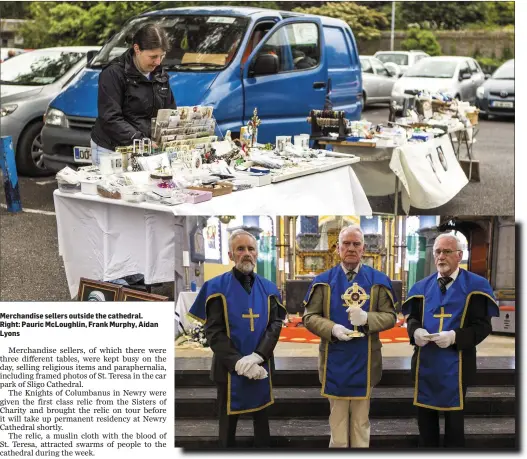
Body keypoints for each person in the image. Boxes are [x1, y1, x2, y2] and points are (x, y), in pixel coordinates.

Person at [188, 230, 286, 448]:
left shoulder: (269, 288)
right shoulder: (215, 288)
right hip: (227, 369)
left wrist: (258, 356)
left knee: (262, 426)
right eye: (240, 249)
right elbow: (214, 332)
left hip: (262, 366)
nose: (246, 253)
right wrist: (239, 363)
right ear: (231, 254)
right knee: (227, 431)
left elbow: (275, 325)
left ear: (257, 253)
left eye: (251, 249)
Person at [302, 224, 398, 448]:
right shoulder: (323, 281)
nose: (351, 248)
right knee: (337, 420)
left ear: (364, 249)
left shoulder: (378, 281)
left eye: (356, 244)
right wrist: (332, 329)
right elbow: (309, 317)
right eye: (346, 243)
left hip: (365, 361)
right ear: (338, 248)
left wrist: (367, 319)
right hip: (334, 358)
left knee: (361, 422)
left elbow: (390, 316)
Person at [402, 232, 499, 448]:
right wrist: (415, 331)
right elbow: (413, 318)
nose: (441, 257)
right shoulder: (421, 287)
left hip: (458, 364)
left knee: (454, 427)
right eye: (437, 251)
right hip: (425, 364)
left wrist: (455, 336)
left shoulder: (476, 286)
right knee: (426, 424)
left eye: (447, 251)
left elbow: (483, 327)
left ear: (459, 255)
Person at [91, 23, 176, 165]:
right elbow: (110, 118)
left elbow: (169, 111)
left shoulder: (160, 74)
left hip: (145, 150)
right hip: (112, 150)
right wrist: (140, 140)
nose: (158, 62)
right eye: (153, 56)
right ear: (137, 49)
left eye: (162, 56)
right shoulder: (113, 73)